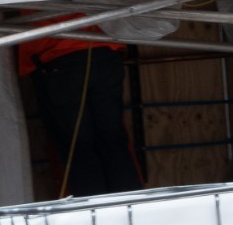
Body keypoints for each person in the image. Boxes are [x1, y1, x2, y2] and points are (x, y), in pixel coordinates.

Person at [19, 20, 142, 197]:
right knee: (113, 141)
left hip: (57, 55)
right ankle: (132, 210)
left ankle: (96, 215)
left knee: (78, 149)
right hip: (102, 50)